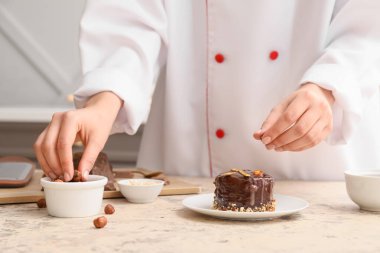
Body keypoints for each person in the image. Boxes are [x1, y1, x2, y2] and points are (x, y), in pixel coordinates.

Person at [34, 0, 380, 182]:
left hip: (316, 174)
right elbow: (130, 19)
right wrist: (103, 101)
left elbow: (368, 25)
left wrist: (328, 88)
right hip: (190, 177)